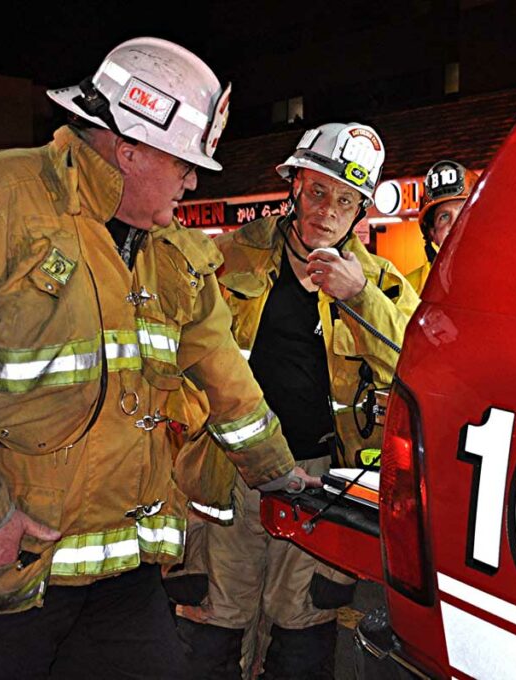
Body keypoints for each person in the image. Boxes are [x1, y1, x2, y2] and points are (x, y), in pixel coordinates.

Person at [0, 37, 313, 679]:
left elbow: (222, 368)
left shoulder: (169, 249)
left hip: (120, 575)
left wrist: (277, 471)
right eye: (182, 163)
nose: (193, 180)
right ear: (128, 147)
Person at [173, 123, 419, 679]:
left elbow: (420, 367)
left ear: (361, 211)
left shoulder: (380, 282)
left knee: (302, 632)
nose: (326, 212)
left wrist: (359, 297)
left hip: (318, 486)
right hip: (227, 474)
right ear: (294, 188)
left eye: (345, 200)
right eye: (317, 192)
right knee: (214, 627)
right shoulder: (229, 256)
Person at [405, 159, 478, 292]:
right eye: (443, 217)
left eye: (463, 212)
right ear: (432, 233)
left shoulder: (509, 278)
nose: (455, 225)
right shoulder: (406, 291)